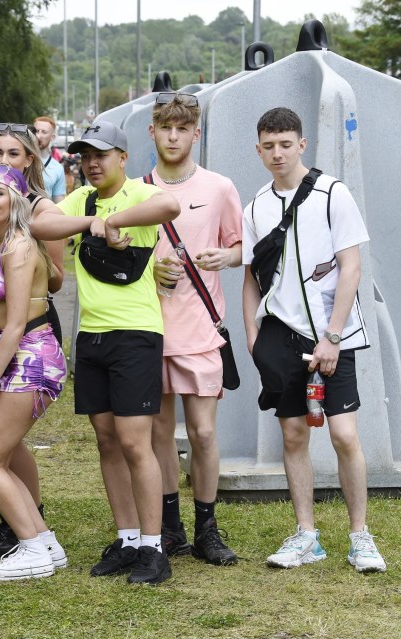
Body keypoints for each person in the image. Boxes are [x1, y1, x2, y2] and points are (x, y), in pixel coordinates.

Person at [31, 122, 181, 584]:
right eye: (83, 157)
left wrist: (114, 221)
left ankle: (155, 549)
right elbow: (41, 222)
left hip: (135, 333)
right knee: (106, 440)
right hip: (91, 337)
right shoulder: (83, 199)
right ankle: (128, 538)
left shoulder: (139, 193)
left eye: (100, 155)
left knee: (137, 442)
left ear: (122, 157)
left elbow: (170, 205)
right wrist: (91, 222)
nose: (92, 164)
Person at [242, 107, 385, 573]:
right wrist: (252, 334)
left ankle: (360, 536)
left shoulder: (332, 194)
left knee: (344, 434)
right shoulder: (258, 204)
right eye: (269, 145)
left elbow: (352, 267)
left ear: (302, 144)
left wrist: (332, 336)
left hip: (333, 332)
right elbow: (251, 275)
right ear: (258, 149)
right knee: (293, 432)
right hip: (280, 334)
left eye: (286, 143)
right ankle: (307, 536)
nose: (278, 153)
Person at [145, 92, 242, 566]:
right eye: (166, 127)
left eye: (183, 128)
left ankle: (208, 527)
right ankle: (170, 527)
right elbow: (115, 254)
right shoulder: (138, 190)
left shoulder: (220, 187)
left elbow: (242, 245)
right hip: (148, 330)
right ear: (153, 132)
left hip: (202, 330)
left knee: (203, 433)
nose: (174, 135)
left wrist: (226, 256)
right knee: (159, 435)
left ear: (196, 135)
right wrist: (150, 270)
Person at [0, 164, 68, 581]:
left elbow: (14, 324)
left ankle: (30, 548)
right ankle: (44, 543)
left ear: (16, 200)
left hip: (30, 356)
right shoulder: (2, 242)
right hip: (24, 355)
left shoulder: (18, 246)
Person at [32, 116, 67, 203]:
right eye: (36, 131)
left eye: (44, 132)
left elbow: (59, 204)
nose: (38, 135)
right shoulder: (20, 160)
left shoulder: (57, 168)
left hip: (44, 214)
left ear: (52, 137)